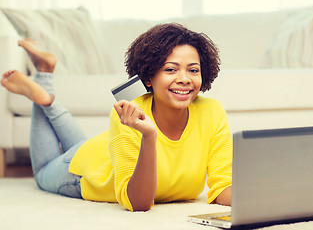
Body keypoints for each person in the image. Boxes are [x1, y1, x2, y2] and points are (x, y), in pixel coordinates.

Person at [1, 23, 232, 211]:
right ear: (148, 77)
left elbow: (222, 188)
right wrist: (149, 136)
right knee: (42, 174)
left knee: (81, 145)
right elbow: (138, 203)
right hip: (86, 171)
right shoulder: (130, 111)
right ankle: (44, 94)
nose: (184, 78)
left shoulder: (212, 111)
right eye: (171, 69)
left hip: (105, 149)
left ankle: (45, 74)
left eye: (193, 70)